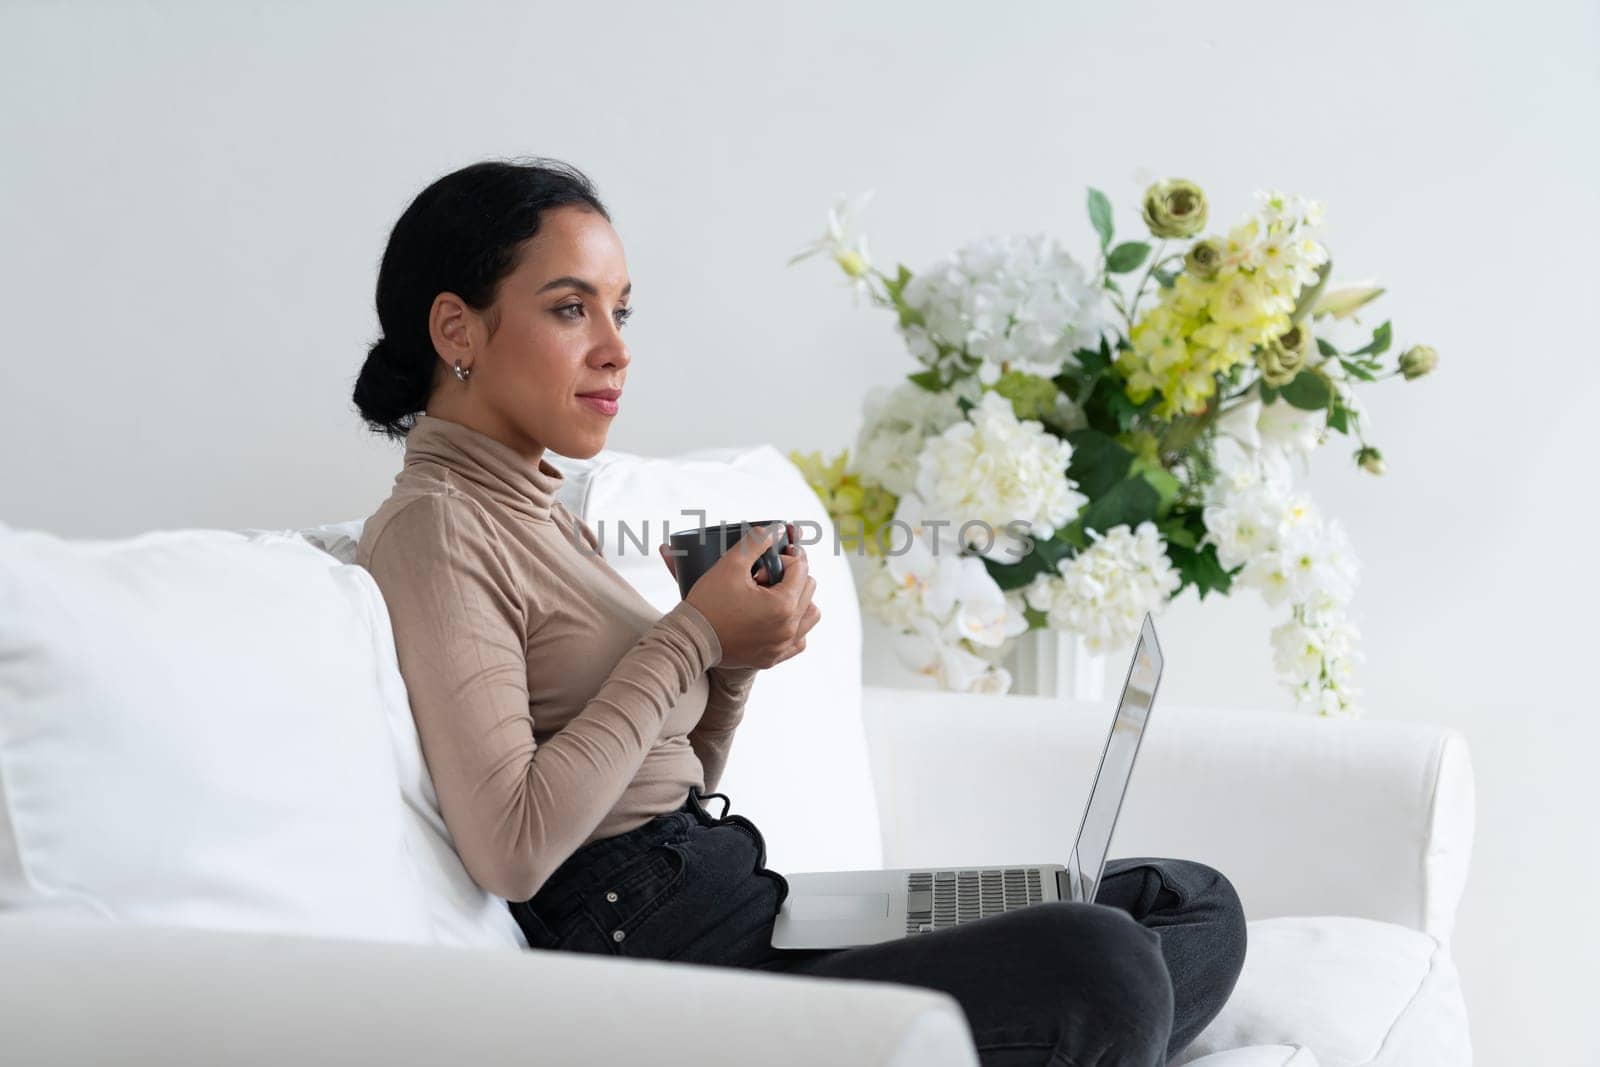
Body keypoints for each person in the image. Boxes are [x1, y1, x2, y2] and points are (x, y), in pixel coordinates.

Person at [351, 157, 1247, 1067]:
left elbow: (672, 781)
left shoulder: (536, 506)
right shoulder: (438, 526)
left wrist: (731, 665)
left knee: (1191, 906)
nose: (616, 347)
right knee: (1108, 966)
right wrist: (693, 634)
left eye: (622, 310)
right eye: (570, 307)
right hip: (681, 973)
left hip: (741, 907)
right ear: (457, 327)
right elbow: (512, 846)